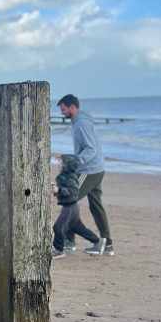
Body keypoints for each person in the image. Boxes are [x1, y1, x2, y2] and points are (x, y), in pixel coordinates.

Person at [57, 94, 114, 255]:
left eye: (63, 109)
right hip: (96, 168)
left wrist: (74, 162)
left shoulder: (81, 123)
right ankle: (107, 244)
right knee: (96, 206)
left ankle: (67, 241)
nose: (62, 113)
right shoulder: (80, 121)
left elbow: (90, 149)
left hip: (89, 170)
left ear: (72, 107)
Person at [51, 154, 106, 259]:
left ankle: (59, 250)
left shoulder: (70, 177)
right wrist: (58, 192)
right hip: (72, 206)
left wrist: (60, 190)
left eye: (61, 163)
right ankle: (97, 241)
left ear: (68, 165)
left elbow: (74, 191)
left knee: (58, 227)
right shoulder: (63, 176)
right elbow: (66, 192)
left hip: (70, 208)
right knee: (77, 227)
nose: (58, 165)